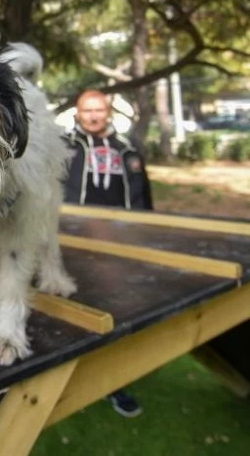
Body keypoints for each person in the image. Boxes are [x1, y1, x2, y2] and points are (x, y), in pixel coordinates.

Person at [62, 89, 153, 418]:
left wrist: (144, 239)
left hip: (118, 248)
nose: (94, 116)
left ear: (109, 112)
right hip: (69, 243)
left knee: (116, 311)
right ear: (78, 113)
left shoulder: (126, 150)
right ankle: (66, 378)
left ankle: (114, 383)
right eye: (87, 110)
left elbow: (143, 200)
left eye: (99, 109)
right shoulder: (63, 148)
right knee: (70, 310)